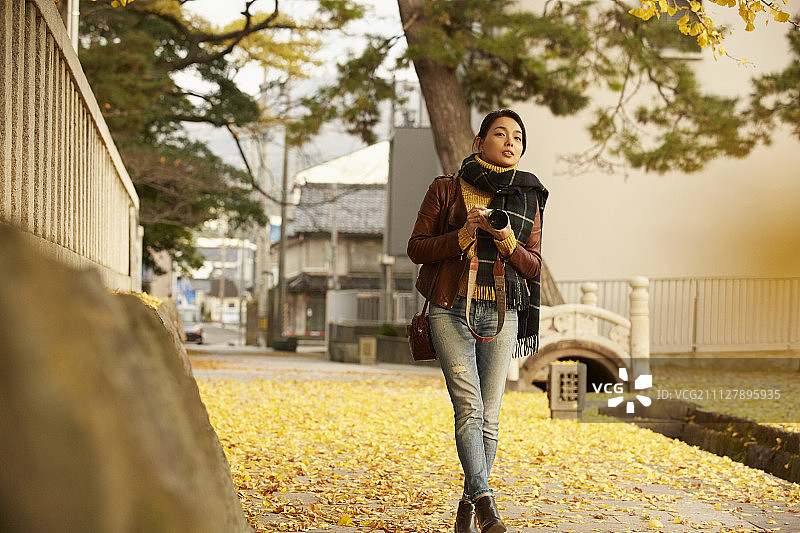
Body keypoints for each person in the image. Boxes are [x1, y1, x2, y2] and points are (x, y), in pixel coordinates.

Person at [407, 109, 548, 533]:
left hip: (503, 311)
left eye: (518, 137)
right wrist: (462, 234)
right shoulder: (446, 189)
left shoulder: (529, 197)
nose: (510, 142)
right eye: (500, 133)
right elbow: (416, 248)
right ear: (478, 141)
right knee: (468, 407)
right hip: (450, 308)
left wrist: (506, 240)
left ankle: (469, 505)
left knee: (490, 415)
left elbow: (535, 265)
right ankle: (487, 502)